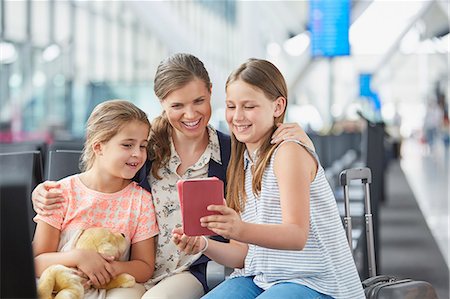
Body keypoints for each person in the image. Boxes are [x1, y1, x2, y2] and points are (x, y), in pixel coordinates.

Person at [32, 53, 314, 299]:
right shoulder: (144, 148)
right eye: (177, 105)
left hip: (194, 268)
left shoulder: (234, 150)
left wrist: (302, 140)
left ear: (211, 93)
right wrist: (42, 191)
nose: (190, 114)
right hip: (134, 267)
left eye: (199, 101)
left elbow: (278, 161)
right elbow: (102, 184)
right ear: (162, 102)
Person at [173, 59, 365, 299]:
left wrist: (240, 229)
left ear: (277, 107)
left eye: (249, 106)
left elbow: (296, 236)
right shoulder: (241, 161)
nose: (237, 116)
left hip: (318, 283)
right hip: (262, 278)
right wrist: (204, 245)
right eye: (231, 106)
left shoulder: (288, 152)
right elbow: (242, 255)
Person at [33, 100, 159, 299]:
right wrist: (79, 257)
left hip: (113, 289)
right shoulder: (60, 193)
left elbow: (144, 267)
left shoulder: (141, 201)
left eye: (143, 146)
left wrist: (106, 269)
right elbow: (36, 260)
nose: (137, 154)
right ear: (99, 147)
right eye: (127, 145)